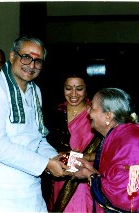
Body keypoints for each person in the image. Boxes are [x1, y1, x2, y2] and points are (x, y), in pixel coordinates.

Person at [0, 36, 70, 212]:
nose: (31, 65)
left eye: (38, 61)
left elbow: (37, 139)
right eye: (26, 57)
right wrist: (45, 164)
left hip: (27, 186)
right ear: (12, 56)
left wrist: (56, 158)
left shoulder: (35, 91)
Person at [73, 88, 139, 213]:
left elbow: (124, 195)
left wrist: (89, 175)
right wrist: (91, 170)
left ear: (108, 115)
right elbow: (117, 177)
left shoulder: (132, 141)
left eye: (92, 108)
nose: (88, 111)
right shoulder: (119, 135)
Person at [45, 69, 102, 212]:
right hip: (59, 176)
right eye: (68, 88)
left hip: (86, 179)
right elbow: (44, 147)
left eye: (79, 89)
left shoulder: (96, 115)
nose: (74, 94)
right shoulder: (54, 115)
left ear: (87, 89)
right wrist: (64, 159)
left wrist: (82, 157)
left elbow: (108, 152)